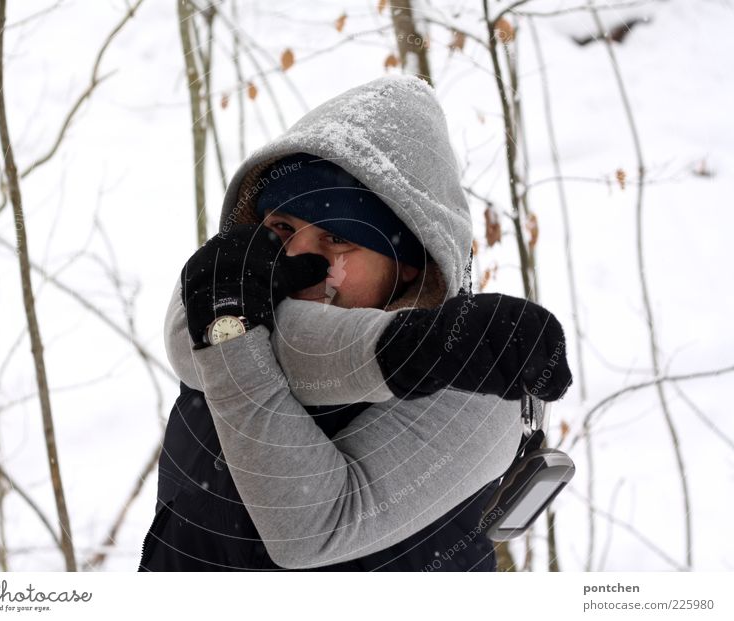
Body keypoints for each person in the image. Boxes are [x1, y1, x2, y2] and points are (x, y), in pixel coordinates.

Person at [139, 75, 572, 571]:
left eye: (338, 239)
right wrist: (405, 350)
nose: (297, 256)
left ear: (410, 263)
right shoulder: (221, 298)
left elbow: (310, 531)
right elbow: (188, 331)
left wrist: (231, 338)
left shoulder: (475, 388)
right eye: (281, 228)